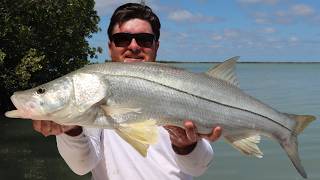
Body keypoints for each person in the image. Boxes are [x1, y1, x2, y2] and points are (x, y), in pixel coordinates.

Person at [32, 3, 222, 180]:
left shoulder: (183, 89)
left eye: (145, 40)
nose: (133, 46)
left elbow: (198, 167)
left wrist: (186, 145)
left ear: (156, 45)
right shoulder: (92, 89)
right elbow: (81, 166)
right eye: (122, 39)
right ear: (110, 47)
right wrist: (71, 130)